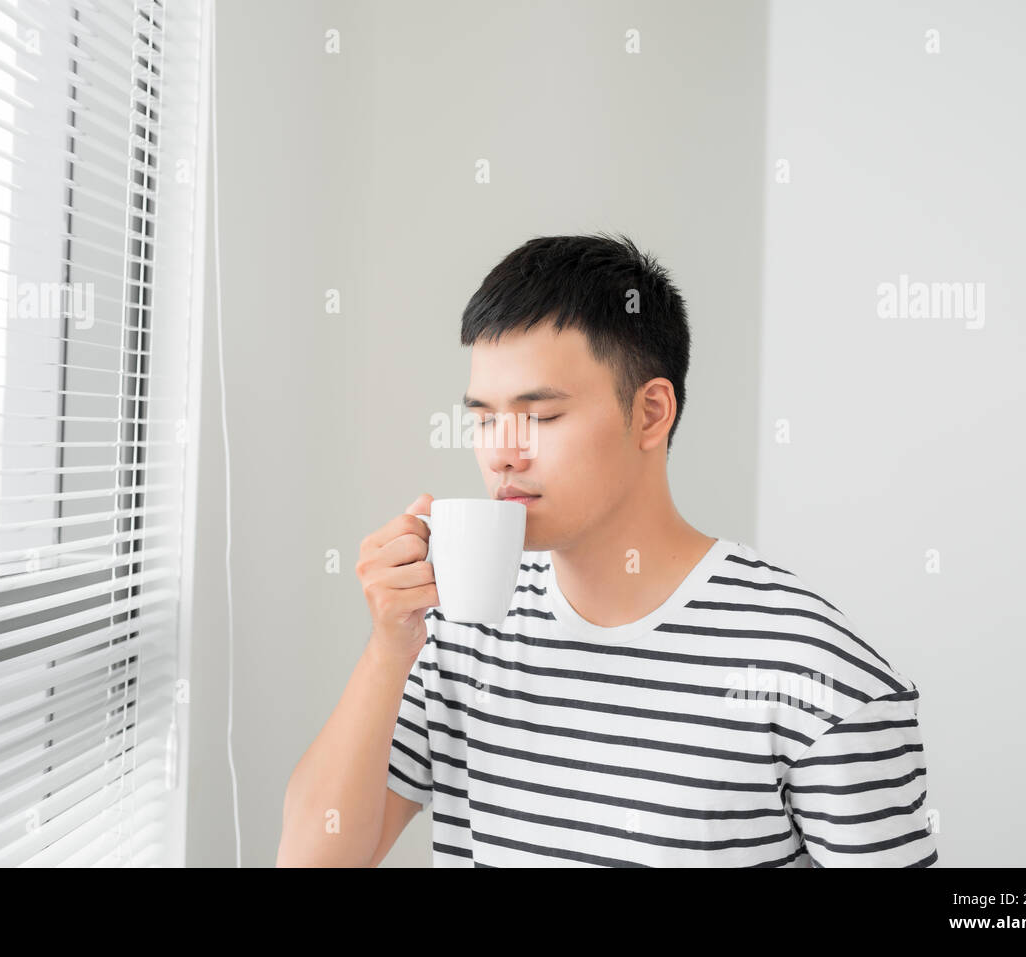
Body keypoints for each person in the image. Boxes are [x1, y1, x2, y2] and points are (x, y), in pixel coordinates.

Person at [277, 232, 937, 867]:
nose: (502, 451)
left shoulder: (810, 667)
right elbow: (311, 860)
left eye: (539, 415)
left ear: (651, 413)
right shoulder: (460, 633)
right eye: (483, 417)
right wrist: (389, 647)